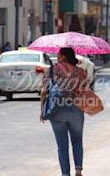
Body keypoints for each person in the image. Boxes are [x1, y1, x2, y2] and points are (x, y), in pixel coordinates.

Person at [40, 47, 88, 176]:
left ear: (63, 56)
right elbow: (85, 90)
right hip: (76, 109)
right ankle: (78, 169)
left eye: (59, 54)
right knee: (77, 140)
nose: (57, 55)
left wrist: (41, 110)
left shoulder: (52, 70)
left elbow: (44, 91)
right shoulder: (81, 71)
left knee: (62, 145)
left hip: (57, 110)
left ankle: (65, 174)